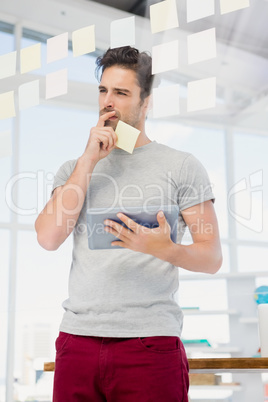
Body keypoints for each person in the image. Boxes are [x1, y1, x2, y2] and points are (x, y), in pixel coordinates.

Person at [35, 46, 222, 402]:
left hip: (149, 344)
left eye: (121, 93)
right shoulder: (75, 169)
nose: (109, 102)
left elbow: (211, 257)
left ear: (146, 101)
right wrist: (89, 160)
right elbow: (47, 237)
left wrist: (164, 249)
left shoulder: (181, 166)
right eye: (103, 91)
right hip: (78, 341)